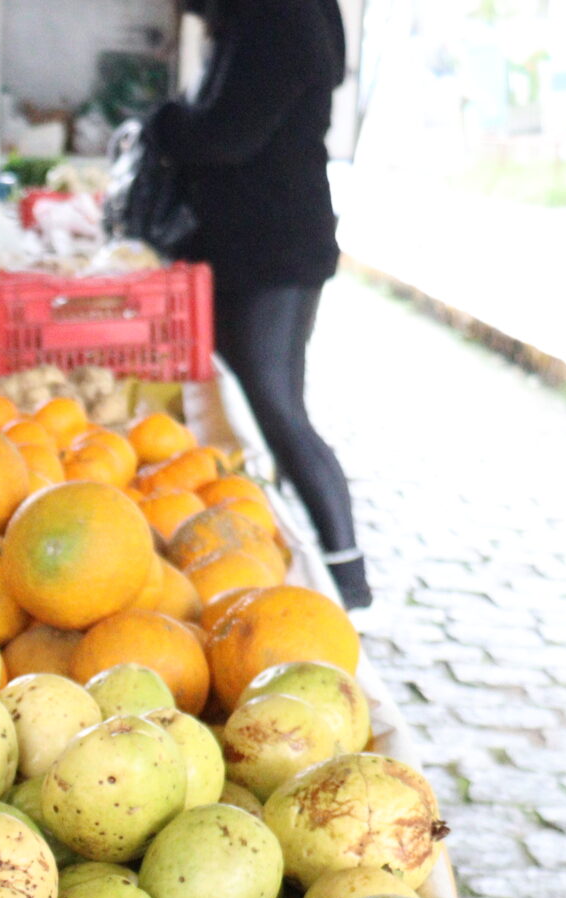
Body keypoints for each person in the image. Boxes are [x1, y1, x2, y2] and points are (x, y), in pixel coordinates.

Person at [147, 0, 367, 607]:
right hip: (262, 241)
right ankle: (305, 555)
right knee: (260, 405)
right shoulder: (272, 14)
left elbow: (228, 135)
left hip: (272, 248)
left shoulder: (278, 15)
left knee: (276, 407)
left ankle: (347, 573)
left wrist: (164, 125)